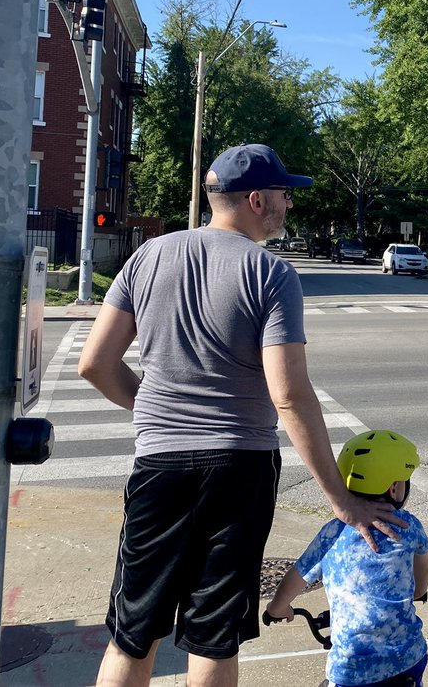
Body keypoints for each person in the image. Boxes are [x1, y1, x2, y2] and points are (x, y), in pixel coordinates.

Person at [78, 143, 406, 687]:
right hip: (238, 467)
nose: (288, 206)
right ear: (255, 199)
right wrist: (341, 500)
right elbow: (290, 395)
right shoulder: (270, 275)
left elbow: (94, 363)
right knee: (213, 634)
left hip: (160, 465)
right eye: (282, 194)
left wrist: (157, 413)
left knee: (133, 632)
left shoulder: (147, 257)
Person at [266, 430, 428, 687]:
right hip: (407, 658)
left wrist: (277, 609)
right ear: (394, 488)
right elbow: (423, 569)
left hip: (352, 670)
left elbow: (296, 577)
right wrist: (418, 592)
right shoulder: (408, 525)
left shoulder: (332, 533)